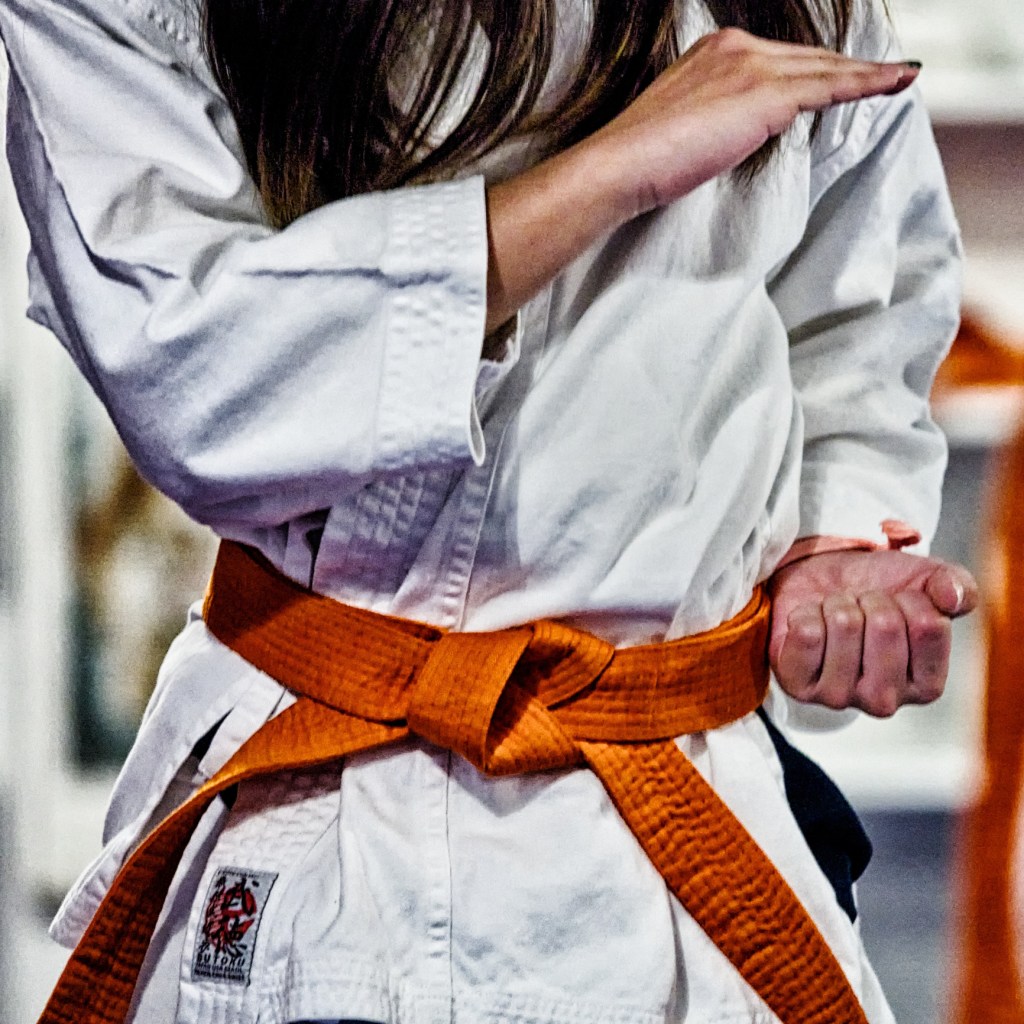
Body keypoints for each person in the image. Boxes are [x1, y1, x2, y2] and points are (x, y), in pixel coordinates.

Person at [0, 0, 978, 1021]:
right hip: (328, 864)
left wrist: (833, 539)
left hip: (677, 847)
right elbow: (202, 380)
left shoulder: (798, 12)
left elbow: (856, 326)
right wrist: (608, 173)